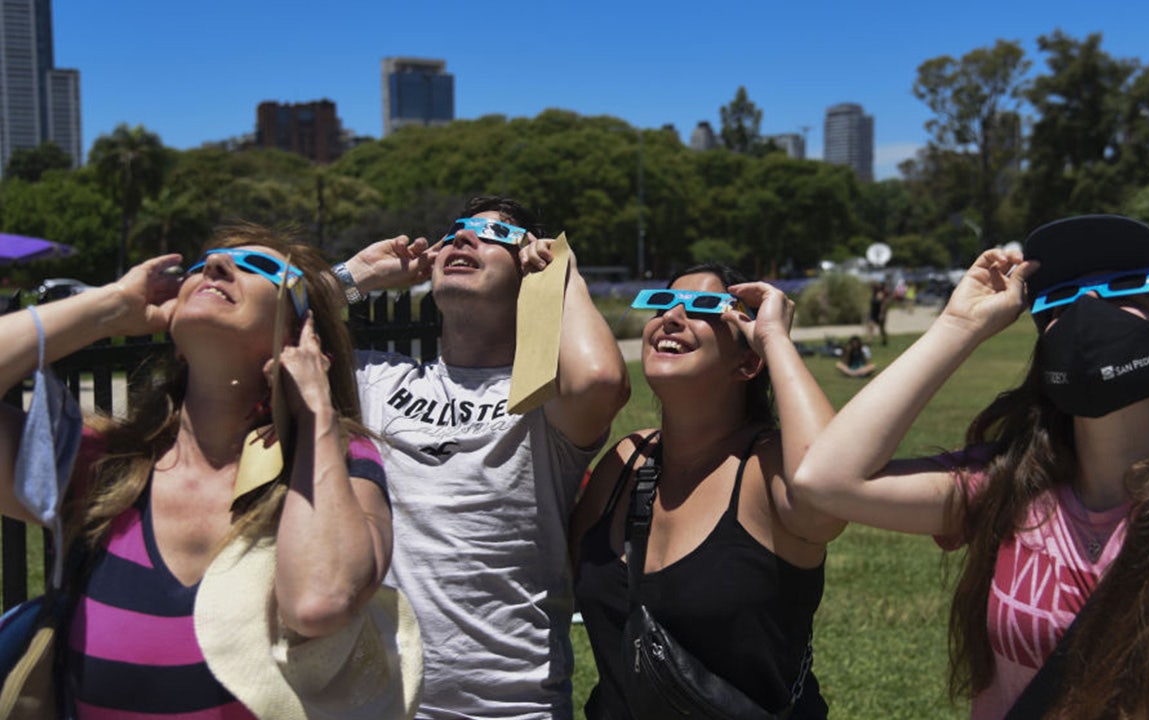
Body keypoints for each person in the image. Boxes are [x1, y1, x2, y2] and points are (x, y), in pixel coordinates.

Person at [794, 215, 1149, 718]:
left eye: (1124, 287)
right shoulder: (1005, 488)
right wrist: (959, 326)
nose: (1087, 305)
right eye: (1060, 299)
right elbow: (826, 479)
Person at [0, 225, 397, 717]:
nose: (215, 266)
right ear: (178, 346)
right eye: (201, 265)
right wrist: (108, 308)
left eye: (261, 268)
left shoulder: (338, 460)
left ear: (299, 338)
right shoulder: (101, 464)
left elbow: (320, 601)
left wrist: (314, 410)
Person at [334, 196, 630, 719]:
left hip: (513, 706)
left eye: (494, 235)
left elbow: (601, 380)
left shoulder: (543, 397)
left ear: (529, 268)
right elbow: (258, 339)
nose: (463, 238)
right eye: (455, 231)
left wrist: (562, 273)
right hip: (382, 705)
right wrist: (357, 275)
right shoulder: (376, 379)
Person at [572, 263, 846, 719]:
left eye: (704, 307)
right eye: (661, 303)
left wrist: (775, 339)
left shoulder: (766, 470)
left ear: (748, 361)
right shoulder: (626, 462)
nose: (671, 317)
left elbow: (832, 485)